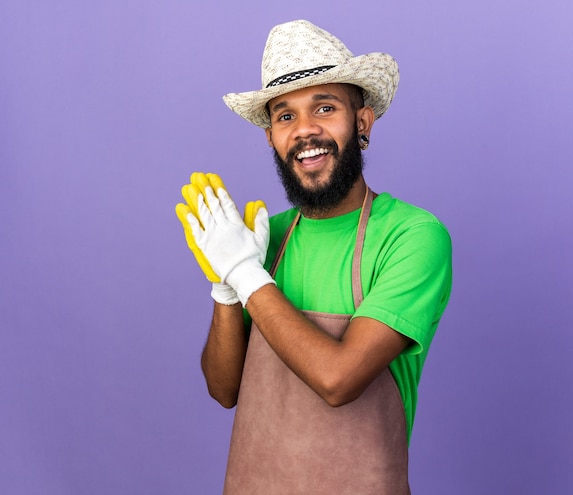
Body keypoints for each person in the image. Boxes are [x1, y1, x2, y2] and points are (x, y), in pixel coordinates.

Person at [176, 19, 452, 495]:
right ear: (271, 138)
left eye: (324, 107)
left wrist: (246, 275)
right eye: (284, 116)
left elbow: (338, 380)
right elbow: (224, 390)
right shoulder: (266, 239)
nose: (305, 131)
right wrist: (225, 287)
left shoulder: (412, 235)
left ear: (361, 122)